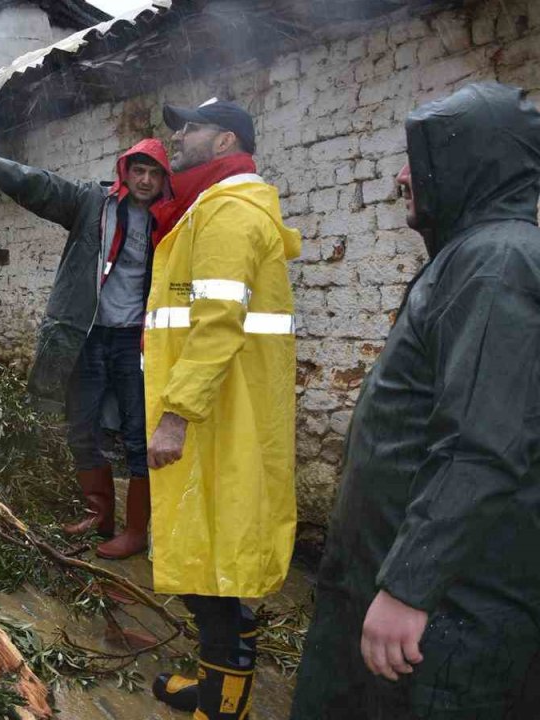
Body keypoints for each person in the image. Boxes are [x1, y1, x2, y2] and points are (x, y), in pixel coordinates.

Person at [291, 82, 540, 719]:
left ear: (471, 162)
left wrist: (409, 586)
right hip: (403, 590)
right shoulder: (473, 256)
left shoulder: (497, 264)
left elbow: (479, 444)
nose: (403, 175)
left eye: (418, 156)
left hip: (448, 616)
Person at [142, 98, 300, 720]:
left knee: (219, 572)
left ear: (225, 138)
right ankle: (214, 685)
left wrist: (177, 413)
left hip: (216, 418)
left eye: (192, 127)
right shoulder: (211, 206)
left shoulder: (230, 211)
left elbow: (216, 324)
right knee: (205, 558)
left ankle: (224, 705)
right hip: (220, 411)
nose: (178, 137)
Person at [0, 131, 169, 559]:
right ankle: (98, 516)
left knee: (138, 433)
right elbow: (43, 187)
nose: (144, 180)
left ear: (164, 180)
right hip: (85, 335)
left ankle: (137, 529)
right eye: (138, 170)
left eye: (153, 174)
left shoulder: (171, 219)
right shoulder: (93, 203)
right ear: (125, 172)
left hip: (135, 341)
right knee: (81, 426)